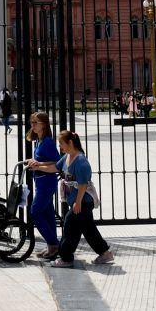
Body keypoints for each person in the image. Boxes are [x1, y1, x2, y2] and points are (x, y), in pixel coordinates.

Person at [33, 130, 113, 267]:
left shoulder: (81, 161)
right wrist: (37, 165)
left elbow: (83, 184)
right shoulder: (67, 157)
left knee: (70, 226)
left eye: (61, 143)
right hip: (78, 201)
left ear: (70, 143)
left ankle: (66, 258)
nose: (60, 147)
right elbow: (54, 168)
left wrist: (77, 202)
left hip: (83, 201)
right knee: (88, 229)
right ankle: (105, 253)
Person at [25, 112, 60, 259]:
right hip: (40, 182)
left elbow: (58, 164)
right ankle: (52, 247)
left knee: (35, 213)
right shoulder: (39, 141)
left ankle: (53, 244)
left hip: (46, 183)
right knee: (48, 214)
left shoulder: (47, 142)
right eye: (31, 122)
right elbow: (44, 161)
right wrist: (34, 162)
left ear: (44, 125)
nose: (32, 125)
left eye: (35, 122)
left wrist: (38, 165)